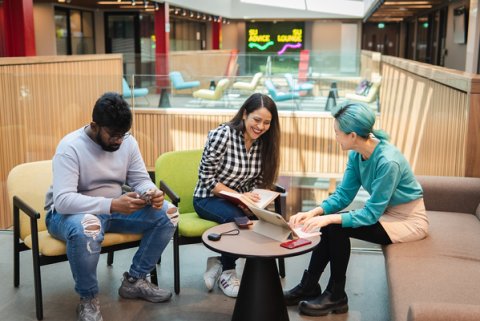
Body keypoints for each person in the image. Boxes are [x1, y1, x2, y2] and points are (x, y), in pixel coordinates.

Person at [283, 102, 429, 316]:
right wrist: (315, 212)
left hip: (407, 221)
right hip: (387, 213)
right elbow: (344, 195)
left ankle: (336, 294)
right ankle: (310, 286)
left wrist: (330, 219)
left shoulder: (388, 162)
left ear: (352, 135)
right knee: (332, 225)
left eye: (337, 133)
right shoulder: (356, 154)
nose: (335, 137)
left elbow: (371, 214)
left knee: (335, 226)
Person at [44, 92, 178, 321]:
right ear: (95, 126)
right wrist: (112, 204)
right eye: (113, 134)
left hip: (114, 209)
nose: (119, 140)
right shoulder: (70, 147)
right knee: (89, 226)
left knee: (169, 214)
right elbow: (63, 200)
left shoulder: (127, 141)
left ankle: (135, 281)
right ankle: (88, 299)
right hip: (68, 215)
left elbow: (140, 179)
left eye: (123, 134)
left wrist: (150, 192)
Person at [193, 93, 281, 298]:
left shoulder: (263, 143)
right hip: (207, 198)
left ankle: (220, 262)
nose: (260, 127)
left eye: (267, 123)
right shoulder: (222, 135)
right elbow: (207, 179)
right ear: (244, 114)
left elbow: (256, 182)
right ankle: (228, 271)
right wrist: (241, 199)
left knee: (263, 221)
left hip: (238, 199)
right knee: (236, 219)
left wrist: (253, 201)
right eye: (256, 120)